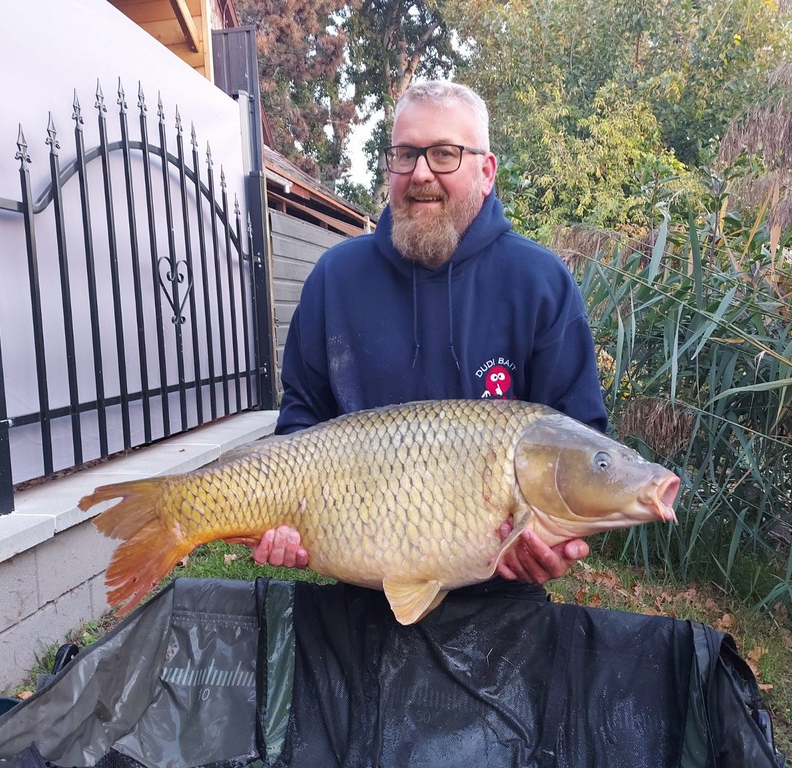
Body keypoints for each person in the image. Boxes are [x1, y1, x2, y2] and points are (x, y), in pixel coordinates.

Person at [252, 80, 608, 597]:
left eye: (444, 153)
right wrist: (281, 518)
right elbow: (302, 418)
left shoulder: (540, 283)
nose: (421, 173)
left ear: (486, 172)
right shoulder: (334, 278)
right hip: (359, 583)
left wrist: (553, 537)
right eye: (405, 154)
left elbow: (579, 443)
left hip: (500, 592)